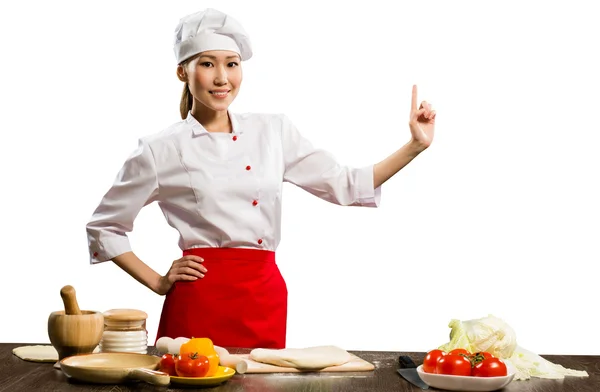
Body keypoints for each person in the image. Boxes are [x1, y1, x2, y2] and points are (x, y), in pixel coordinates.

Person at [86, 8, 436, 349]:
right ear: (183, 71)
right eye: (207, 63)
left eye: (232, 64)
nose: (223, 77)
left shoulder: (273, 132)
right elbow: (105, 226)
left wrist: (415, 146)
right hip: (199, 300)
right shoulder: (159, 149)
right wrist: (159, 282)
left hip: (263, 296)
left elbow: (344, 184)